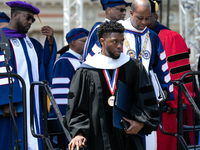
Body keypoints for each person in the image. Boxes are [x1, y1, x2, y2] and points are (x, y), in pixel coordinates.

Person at [64, 20, 160, 150]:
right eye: (115, 41)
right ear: (102, 41)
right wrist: (78, 133)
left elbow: (146, 100)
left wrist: (141, 123)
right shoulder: (86, 71)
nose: (120, 46)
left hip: (128, 137)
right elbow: (78, 107)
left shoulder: (133, 67)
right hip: (97, 138)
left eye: (122, 41)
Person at [0, 1, 57, 150]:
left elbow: (43, 67)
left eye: (32, 19)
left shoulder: (31, 43)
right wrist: (7, 100)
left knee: (33, 139)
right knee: (13, 139)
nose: (31, 22)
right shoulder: (2, 40)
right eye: (28, 17)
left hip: (33, 102)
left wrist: (50, 42)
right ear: (15, 15)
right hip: (14, 103)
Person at [147, 0, 195, 149]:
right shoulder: (131, 36)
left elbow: (179, 73)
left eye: (147, 17)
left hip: (164, 107)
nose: (142, 21)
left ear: (155, 16)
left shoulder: (169, 36)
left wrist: (175, 102)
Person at [50, 27, 88, 118]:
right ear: (73, 42)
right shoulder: (64, 61)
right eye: (84, 41)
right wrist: (63, 118)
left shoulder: (81, 61)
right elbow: (60, 93)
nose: (87, 44)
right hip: (69, 118)